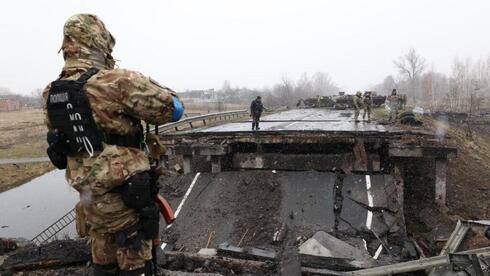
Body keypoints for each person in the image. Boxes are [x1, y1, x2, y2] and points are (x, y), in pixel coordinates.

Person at [43, 14, 184, 276]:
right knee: (137, 266)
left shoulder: (51, 93)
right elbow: (174, 110)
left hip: (91, 204)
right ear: (99, 42)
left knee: (103, 264)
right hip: (127, 202)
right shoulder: (116, 82)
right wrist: (151, 85)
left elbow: (60, 145)